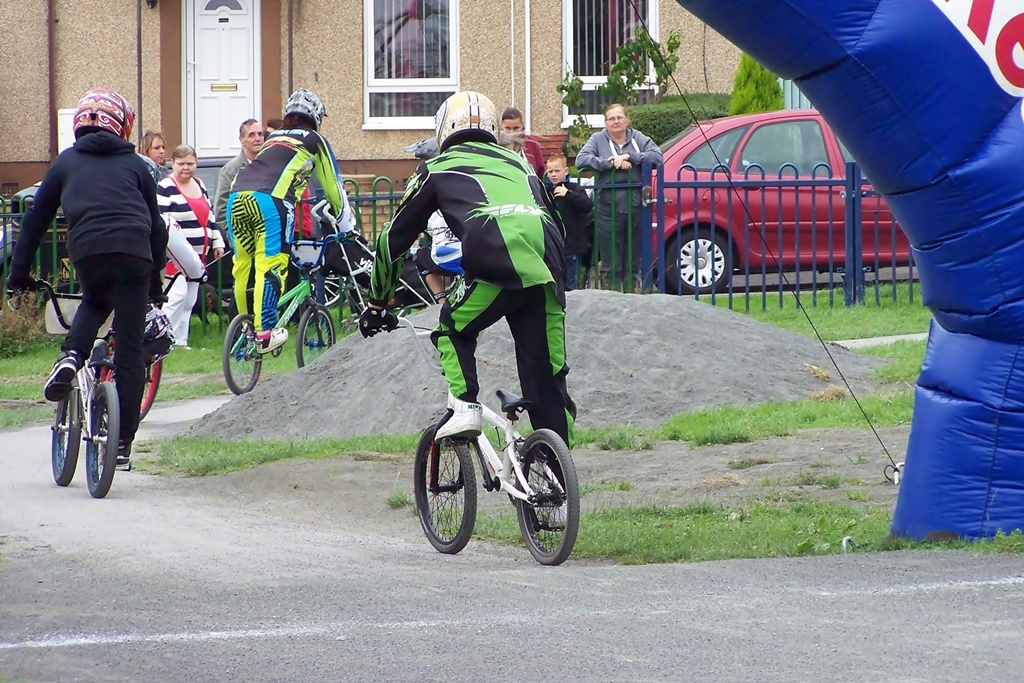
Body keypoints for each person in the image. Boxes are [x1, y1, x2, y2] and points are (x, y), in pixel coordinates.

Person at [359, 90, 577, 459]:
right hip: (548, 273)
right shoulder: (520, 164)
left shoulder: (438, 167)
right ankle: (556, 485)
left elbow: (391, 240)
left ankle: (465, 407)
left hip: (496, 267)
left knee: (451, 328)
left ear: (443, 130)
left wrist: (379, 302)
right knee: (548, 381)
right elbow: (556, 224)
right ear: (493, 127)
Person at [4, 88, 167, 466]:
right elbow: (156, 227)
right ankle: (122, 443)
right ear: (122, 125)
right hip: (134, 255)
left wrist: (18, 274)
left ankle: (70, 357)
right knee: (128, 352)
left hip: (89, 251)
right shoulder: (138, 166)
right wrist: (154, 286)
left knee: (94, 299)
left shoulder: (65, 163)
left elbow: (34, 221)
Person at [226, 88, 347, 353]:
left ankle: (244, 331)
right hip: (271, 201)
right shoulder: (315, 140)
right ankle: (265, 331)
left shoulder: (272, 138)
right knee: (270, 266)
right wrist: (345, 224)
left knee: (243, 266)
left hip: (236, 198)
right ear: (315, 115)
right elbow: (333, 187)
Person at [575, 103, 663, 288]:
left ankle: (633, 299)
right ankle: (611, 300)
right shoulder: (598, 139)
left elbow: (657, 157)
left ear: (627, 120)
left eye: (619, 117)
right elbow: (581, 159)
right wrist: (611, 163)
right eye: (611, 118)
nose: (616, 121)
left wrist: (631, 157)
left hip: (636, 205)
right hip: (607, 206)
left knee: (633, 262)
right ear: (605, 123)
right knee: (611, 262)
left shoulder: (637, 138)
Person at [157, 144, 224, 348]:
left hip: (198, 254)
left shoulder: (200, 184)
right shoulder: (165, 186)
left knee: (189, 300)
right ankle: (160, 341)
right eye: (181, 163)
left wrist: (217, 241)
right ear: (172, 164)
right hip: (174, 256)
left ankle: (180, 341)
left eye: (190, 163)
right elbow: (159, 220)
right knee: (175, 297)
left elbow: (209, 216)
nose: (186, 167)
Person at [545, 154, 593, 292]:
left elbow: (588, 205)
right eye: (550, 171)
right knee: (553, 282)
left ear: (566, 171)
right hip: (551, 246)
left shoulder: (574, 188)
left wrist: (568, 194)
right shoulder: (545, 191)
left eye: (557, 170)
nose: (553, 174)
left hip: (571, 245)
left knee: (570, 284)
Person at [214, 118, 264, 232]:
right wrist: (233, 239)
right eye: (251, 135)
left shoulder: (270, 166)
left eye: (260, 134)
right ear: (242, 140)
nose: (257, 138)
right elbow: (221, 211)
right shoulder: (230, 170)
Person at [500, 106, 546, 176]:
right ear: (501, 125)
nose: (512, 132)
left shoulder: (530, 142)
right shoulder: (497, 143)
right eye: (508, 128)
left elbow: (541, 171)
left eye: (516, 128)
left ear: (522, 124)